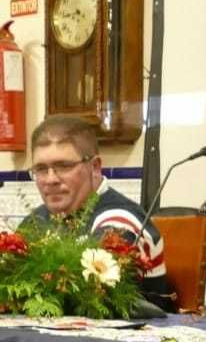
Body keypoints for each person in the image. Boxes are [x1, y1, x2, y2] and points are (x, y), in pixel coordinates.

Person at [19, 115, 171, 307]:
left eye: (64, 166)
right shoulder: (35, 222)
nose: (51, 179)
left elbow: (89, 296)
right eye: (41, 169)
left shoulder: (120, 220)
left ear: (95, 167)